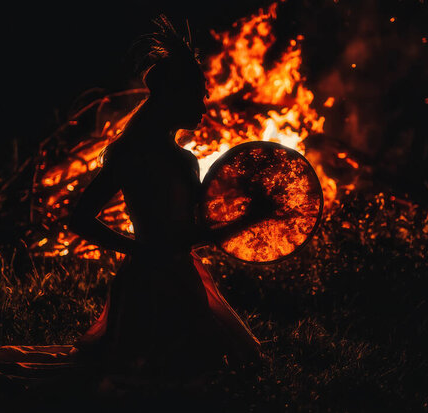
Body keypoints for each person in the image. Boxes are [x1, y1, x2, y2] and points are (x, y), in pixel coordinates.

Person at [68, 16, 261, 381]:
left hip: (169, 278)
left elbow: (188, 232)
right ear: (175, 96)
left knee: (200, 373)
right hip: (152, 290)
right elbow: (81, 220)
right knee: (172, 378)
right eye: (199, 94)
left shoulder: (168, 157)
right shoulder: (140, 156)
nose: (205, 105)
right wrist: (144, 251)